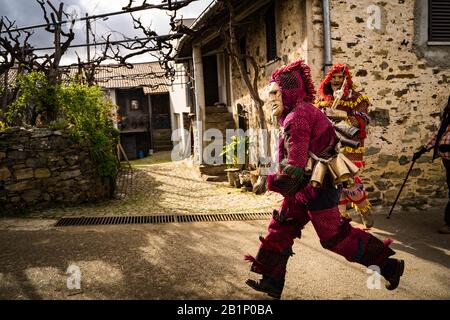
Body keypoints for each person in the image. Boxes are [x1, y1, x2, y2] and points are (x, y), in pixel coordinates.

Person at [244, 59, 405, 299]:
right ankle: (271, 281)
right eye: (271, 94)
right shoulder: (295, 112)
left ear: (289, 92)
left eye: (276, 93)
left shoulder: (297, 117)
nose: (272, 98)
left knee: (333, 237)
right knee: (282, 227)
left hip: (318, 187)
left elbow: (295, 168)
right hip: (303, 188)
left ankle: (389, 265)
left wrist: (269, 181)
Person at [316, 64, 374, 228]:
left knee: (348, 179)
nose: (336, 81)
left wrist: (342, 115)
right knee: (336, 180)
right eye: (333, 78)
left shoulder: (356, 98)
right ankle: (342, 215)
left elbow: (363, 118)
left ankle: (363, 208)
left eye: (340, 77)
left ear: (346, 79)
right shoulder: (322, 100)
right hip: (329, 145)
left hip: (349, 144)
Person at [413, 95, 450, 234]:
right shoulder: (446, 121)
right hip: (447, 160)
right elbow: (436, 137)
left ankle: (449, 223)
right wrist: (422, 150)